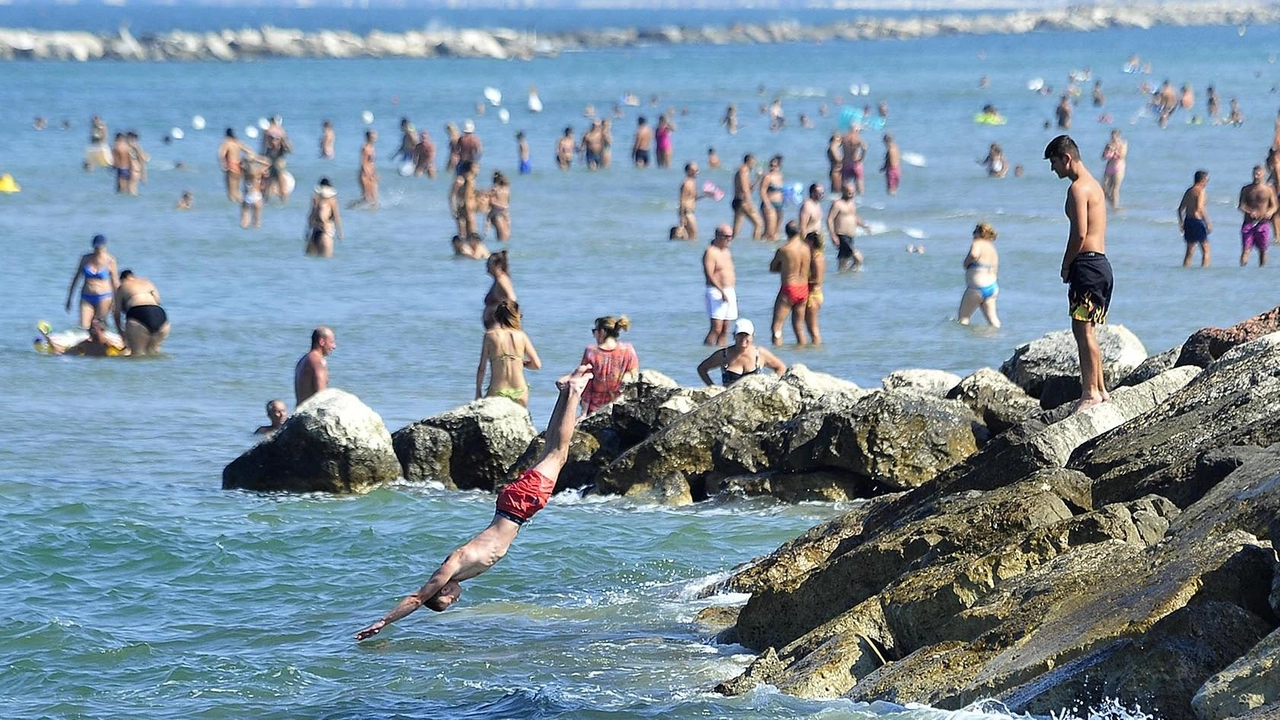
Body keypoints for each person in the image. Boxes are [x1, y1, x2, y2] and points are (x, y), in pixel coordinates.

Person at [354, 364, 595, 641]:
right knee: (553, 452)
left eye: (447, 601)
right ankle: (565, 392)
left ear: (442, 590)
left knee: (558, 452)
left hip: (518, 506)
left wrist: (384, 622)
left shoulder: (452, 566)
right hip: (514, 506)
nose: (455, 601)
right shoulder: (461, 570)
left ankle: (573, 391)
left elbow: (417, 598)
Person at [1045, 134, 1111, 413]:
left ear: (1067, 158)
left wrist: (1066, 264)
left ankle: (1090, 393)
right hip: (1100, 265)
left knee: (1082, 330)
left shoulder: (1077, 189)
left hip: (1087, 264)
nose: (1053, 169)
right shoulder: (1094, 185)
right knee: (1087, 330)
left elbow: (1080, 233)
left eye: (1054, 162)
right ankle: (1102, 389)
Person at [476, 300, 541, 406]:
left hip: (497, 389)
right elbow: (537, 365)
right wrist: (520, 362)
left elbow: (482, 368)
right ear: (516, 316)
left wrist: (478, 391)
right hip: (520, 389)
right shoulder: (521, 336)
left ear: (496, 316)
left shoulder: (490, 336)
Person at [695, 319, 786, 386]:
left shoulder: (760, 354)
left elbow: (781, 367)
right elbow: (702, 369)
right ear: (734, 336)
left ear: (752, 336)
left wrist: (772, 385)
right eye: (740, 335)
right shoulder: (723, 355)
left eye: (746, 335)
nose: (743, 339)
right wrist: (713, 387)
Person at [579, 315, 639, 415]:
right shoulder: (628, 350)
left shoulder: (591, 352)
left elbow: (587, 385)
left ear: (602, 332)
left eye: (595, 331)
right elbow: (632, 379)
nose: (594, 335)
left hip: (595, 408)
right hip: (619, 406)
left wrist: (584, 412)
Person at [769, 221, 811, 345]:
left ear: (786, 232)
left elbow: (772, 268)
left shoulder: (784, 250)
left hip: (789, 288)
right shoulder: (807, 248)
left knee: (777, 327)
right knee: (799, 327)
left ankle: (778, 354)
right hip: (804, 288)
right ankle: (803, 355)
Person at [65, 234, 118, 329]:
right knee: (84, 326)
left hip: (104, 297)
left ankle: (103, 341)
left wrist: (116, 302)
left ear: (104, 246)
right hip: (86, 297)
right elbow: (76, 278)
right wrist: (69, 299)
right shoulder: (85, 259)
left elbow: (115, 282)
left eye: (99, 248)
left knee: (98, 326)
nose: (97, 250)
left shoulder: (110, 260)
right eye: (95, 248)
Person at [113, 269, 169, 355]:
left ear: (122, 279)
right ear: (134, 276)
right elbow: (158, 300)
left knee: (137, 354)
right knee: (154, 353)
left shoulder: (123, 286)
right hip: (159, 314)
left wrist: (120, 332)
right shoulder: (148, 283)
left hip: (138, 312)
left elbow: (116, 312)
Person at [957, 223, 1001, 328]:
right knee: (994, 321)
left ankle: (962, 343)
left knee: (963, 319)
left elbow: (974, 254)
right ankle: (997, 341)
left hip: (976, 287)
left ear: (979, 233)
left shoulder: (977, 243)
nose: (973, 235)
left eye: (974, 232)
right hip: (992, 287)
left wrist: (966, 263)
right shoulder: (992, 248)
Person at [702, 224, 737, 346]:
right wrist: (721, 291)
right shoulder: (711, 252)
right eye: (725, 236)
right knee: (716, 328)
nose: (728, 239)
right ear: (717, 236)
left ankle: (722, 356)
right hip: (716, 291)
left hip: (729, 290)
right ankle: (707, 352)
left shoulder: (727, 252)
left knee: (725, 329)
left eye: (730, 237)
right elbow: (709, 274)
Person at [827, 181, 871, 272]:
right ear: (843, 191)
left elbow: (854, 217)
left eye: (852, 192)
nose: (851, 194)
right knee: (859, 259)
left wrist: (864, 226)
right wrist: (833, 236)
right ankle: (852, 274)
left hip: (850, 236)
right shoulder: (837, 204)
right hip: (841, 236)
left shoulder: (852, 203)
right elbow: (829, 219)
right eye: (849, 192)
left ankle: (844, 279)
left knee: (843, 262)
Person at [1238, 165, 1276, 267]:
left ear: (1263, 174)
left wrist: (1270, 212)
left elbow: (1274, 206)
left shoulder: (1268, 189)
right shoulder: (1246, 189)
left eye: (1258, 174)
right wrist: (1249, 211)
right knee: (1246, 249)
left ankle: (1262, 270)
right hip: (1248, 223)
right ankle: (1242, 269)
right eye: (1254, 174)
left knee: (1263, 250)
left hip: (1263, 223)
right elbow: (1241, 205)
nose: (1256, 176)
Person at [39, 317, 126, 357]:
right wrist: (48, 338)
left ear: (102, 330)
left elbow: (126, 354)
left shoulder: (110, 344)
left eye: (94, 329)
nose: (90, 331)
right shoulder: (85, 345)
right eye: (90, 328)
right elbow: (62, 353)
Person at [1177, 170, 1212, 267]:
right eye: (1207, 180)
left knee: (1189, 251)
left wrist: (1182, 223)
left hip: (1188, 221)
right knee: (1206, 250)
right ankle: (1205, 271)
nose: (1206, 183)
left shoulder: (1189, 191)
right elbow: (1200, 208)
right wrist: (1208, 223)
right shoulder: (1201, 191)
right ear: (1203, 180)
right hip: (1197, 222)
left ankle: (1185, 270)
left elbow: (1180, 209)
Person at [295, 326, 336, 406]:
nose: (334, 346)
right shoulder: (318, 362)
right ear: (322, 342)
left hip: (300, 411)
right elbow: (321, 396)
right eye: (331, 342)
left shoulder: (303, 360)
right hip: (311, 414)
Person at [306, 178, 344, 257]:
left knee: (325, 257)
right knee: (309, 255)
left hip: (326, 231)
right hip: (315, 230)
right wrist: (308, 230)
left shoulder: (332, 201)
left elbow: (336, 217)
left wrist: (340, 232)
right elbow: (311, 215)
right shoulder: (315, 199)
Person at [731, 154, 763, 240]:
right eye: (753, 163)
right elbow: (745, 190)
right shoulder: (744, 170)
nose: (753, 165)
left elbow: (749, 189)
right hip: (743, 202)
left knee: (736, 230)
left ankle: (730, 244)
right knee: (759, 224)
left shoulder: (742, 171)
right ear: (749, 161)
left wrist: (758, 178)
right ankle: (756, 246)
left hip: (738, 201)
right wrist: (750, 203)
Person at [482, 250, 515, 328]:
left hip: (498, 325)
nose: (486, 265)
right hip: (493, 324)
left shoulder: (501, 280)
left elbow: (512, 298)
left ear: (498, 265)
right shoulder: (497, 280)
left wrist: (503, 317)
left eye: (489, 263)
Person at [805, 231, 825, 344]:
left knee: (813, 328)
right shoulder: (816, 255)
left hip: (813, 295)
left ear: (811, 242)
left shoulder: (816, 258)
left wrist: (802, 281)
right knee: (810, 328)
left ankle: (817, 346)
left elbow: (817, 280)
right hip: (815, 294)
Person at [218, 129, 249, 202]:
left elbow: (221, 155)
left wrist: (223, 164)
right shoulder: (237, 142)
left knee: (231, 192)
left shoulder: (226, 142)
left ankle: (232, 209)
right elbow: (249, 151)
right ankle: (242, 205)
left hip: (231, 166)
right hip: (239, 167)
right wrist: (245, 161)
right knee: (237, 190)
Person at [759, 155, 785, 241]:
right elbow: (762, 191)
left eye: (775, 166)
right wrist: (767, 205)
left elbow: (781, 191)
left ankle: (772, 250)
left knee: (776, 233)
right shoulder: (767, 177)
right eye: (771, 165)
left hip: (779, 205)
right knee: (769, 232)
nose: (772, 168)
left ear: (779, 166)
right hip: (769, 204)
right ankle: (761, 248)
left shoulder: (780, 176)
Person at [1100, 130, 1127, 209]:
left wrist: (1115, 150)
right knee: (1103, 188)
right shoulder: (1109, 145)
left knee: (1115, 190)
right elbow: (1103, 157)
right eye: (1112, 137)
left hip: (1118, 168)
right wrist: (1107, 150)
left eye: (1115, 137)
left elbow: (1122, 156)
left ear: (1119, 137)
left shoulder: (1123, 144)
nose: (1113, 139)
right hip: (1109, 167)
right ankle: (1111, 204)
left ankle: (1115, 208)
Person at [353, 130, 379, 209]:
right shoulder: (365, 148)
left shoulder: (372, 148)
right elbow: (363, 163)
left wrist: (374, 173)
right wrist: (369, 174)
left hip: (371, 174)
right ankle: (352, 207)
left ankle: (372, 216)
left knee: (375, 198)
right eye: (373, 136)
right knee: (367, 198)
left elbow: (371, 163)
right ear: (369, 137)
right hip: (365, 175)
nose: (375, 137)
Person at [840, 126, 867, 195]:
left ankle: (845, 196)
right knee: (859, 182)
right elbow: (865, 147)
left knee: (845, 182)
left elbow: (836, 146)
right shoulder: (858, 138)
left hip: (846, 163)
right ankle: (860, 198)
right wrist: (862, 158)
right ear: (856, 130)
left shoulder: (844, 137)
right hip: (856, 163)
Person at [488, 172, 511, 241]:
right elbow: (508, 201)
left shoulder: (497, 189)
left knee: (504, 235)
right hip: (502, 212)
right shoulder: (505, 189)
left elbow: (490, 201)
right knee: (504, 236)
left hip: (499, 211)